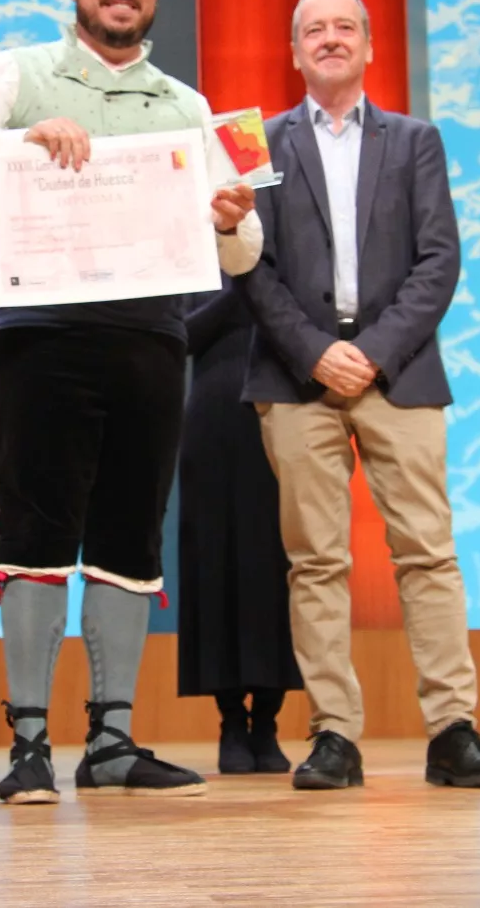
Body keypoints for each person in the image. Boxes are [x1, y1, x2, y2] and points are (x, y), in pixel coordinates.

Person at [0, 0, 261, 804]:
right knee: (33, 535)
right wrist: (19, 145)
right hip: (38, 337)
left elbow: (246, 247)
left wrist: (228, 217)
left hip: (148, 337)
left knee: (132, 541)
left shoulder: (187, 107)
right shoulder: (18, 74)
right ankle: (28, 746)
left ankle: (112, 742)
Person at [240, 0, 480, 791]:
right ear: (294, 51)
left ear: (368, 44)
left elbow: (441, 260)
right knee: (314, 562)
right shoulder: (254, 144)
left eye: (344, 27)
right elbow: (248, 263)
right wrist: (317, 352)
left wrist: (378, 352)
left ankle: (453, 730)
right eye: (313, 29)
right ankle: (334, 736)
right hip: (296, 379)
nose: (330, 38)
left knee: (429, 554)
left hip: (402, 373)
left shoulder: (416, 140)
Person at [176, 276, 302, 774]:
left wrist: (263, 278)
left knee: (278, 563)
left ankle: (268, 722)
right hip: (212, 420)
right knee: (216, 563)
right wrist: (242, 284)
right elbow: (182, 336)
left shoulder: (285, 255)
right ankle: (230, 720)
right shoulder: (195, 260)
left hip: (285, 415)